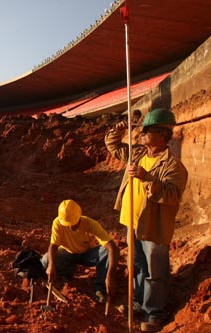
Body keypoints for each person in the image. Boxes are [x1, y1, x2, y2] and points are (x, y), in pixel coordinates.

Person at [105, 108, 188, 332]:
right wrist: (117, 131)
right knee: (138, 265)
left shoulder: (173, 166)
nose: (143, 134)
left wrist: (146, 177)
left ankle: (154, 312)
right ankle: (138, 303)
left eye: (148, 130)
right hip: (131, 221)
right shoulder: (138, 153)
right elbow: (113, 147)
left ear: (162, 134)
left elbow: (171, 195)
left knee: (155, 270)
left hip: (153, 226)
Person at [41, 199, 119, 304]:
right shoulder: (57, 223)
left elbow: (112, 247)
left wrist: (110, 276)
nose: (69, 226)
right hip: (67, 253)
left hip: (87, 254)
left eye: (72, 223)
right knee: (46, 261)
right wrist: (51, 265)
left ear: (79, 217)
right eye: (66, 224)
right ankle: (67, 274)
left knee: (105, 251)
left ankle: (100, 288)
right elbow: (53, 246)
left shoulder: (90, 224)